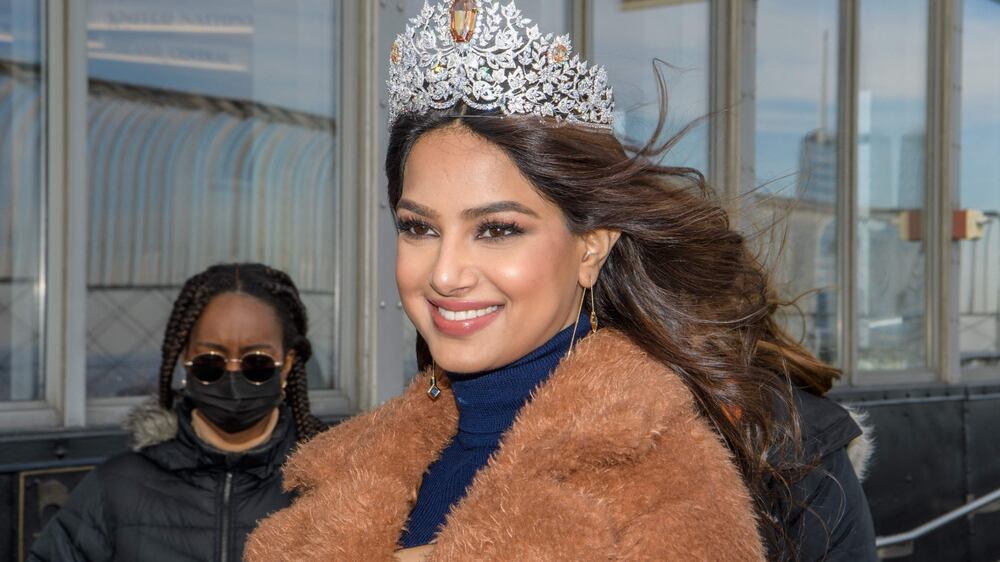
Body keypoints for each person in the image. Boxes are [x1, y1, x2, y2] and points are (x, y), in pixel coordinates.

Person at [246, 1, 877, 560]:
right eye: (419, 228)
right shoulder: (347, 465)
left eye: (497, 229)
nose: (444, 273)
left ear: (592, 248)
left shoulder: (756, 455)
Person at [28, 263, 326, 562]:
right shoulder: (117, 487)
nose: (233, 376)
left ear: (286, 365)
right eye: (211, 362)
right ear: (186, 358)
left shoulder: (331, 487)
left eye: (256, 363)